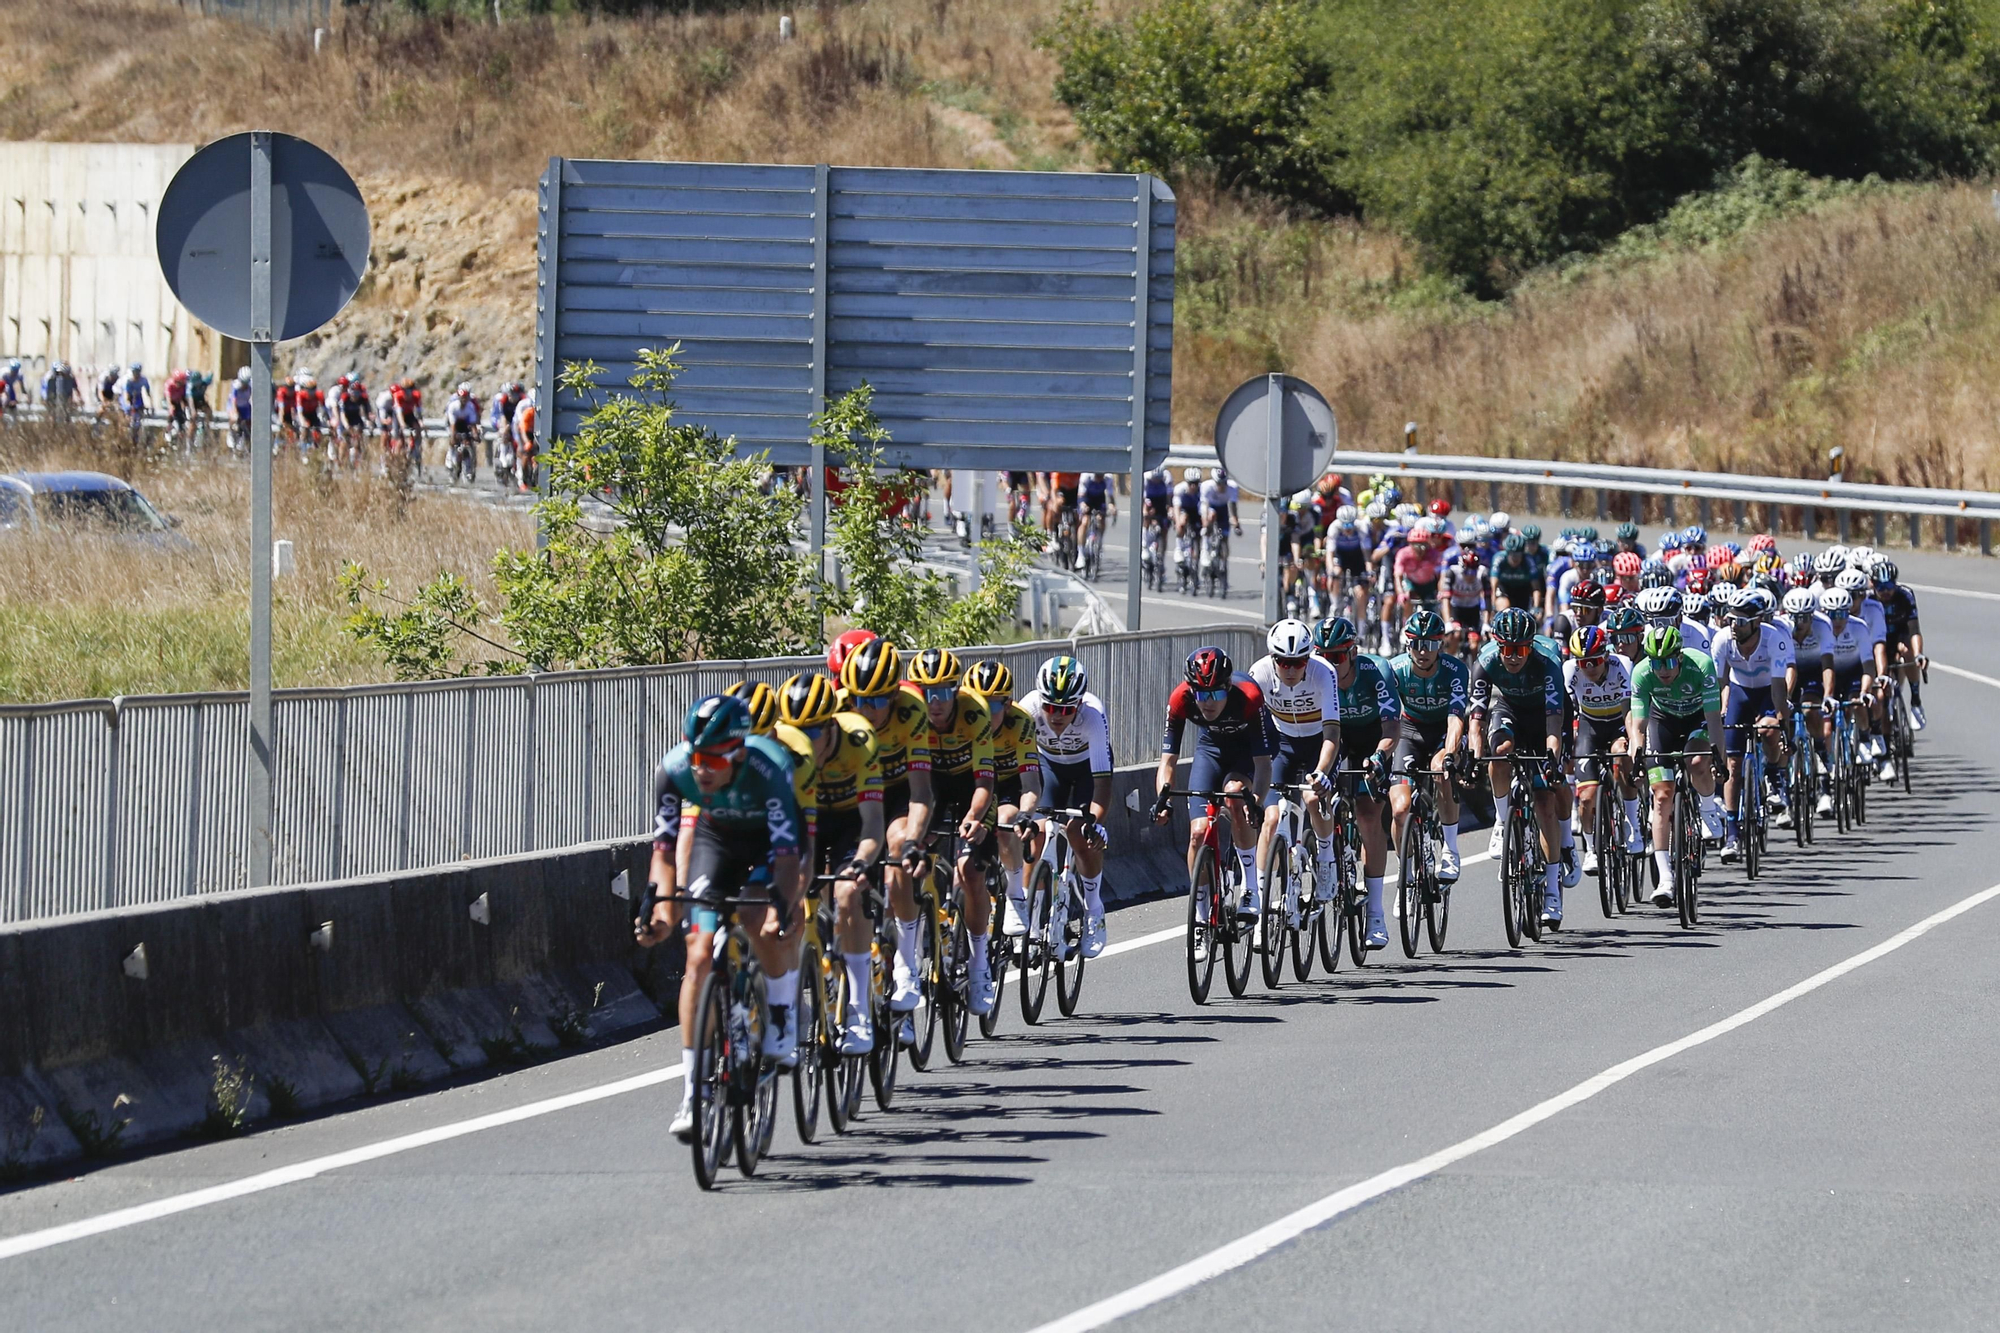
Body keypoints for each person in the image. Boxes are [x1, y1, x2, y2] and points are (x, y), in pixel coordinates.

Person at [637, 696, 803, 1141]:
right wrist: (661, 913)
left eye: (713, 759)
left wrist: (781, 910)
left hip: (770, 843)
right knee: (697, 958)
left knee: (755, 916)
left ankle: (784, 1012)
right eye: (696, 757)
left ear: (739, 753)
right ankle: (694, 1092)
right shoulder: (673, 771)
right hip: (717, 838)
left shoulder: (769, 766)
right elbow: (664, 853)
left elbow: (789, 859)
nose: (702, 769)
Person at [778, 672, 887, 1055]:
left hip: (850, 822)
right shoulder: (784, 747)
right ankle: (797, 1002)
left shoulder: (859, 738)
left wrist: (860, 862)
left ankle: (858, 1009)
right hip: (805, 820)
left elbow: (875, 822)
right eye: (797, 733)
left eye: (814, 734)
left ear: (832, 725)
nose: (804, 744)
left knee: (845, 894)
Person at [837, 639, 936, 1044]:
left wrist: (913, 841)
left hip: (898, 793)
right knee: (838, 887)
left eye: (879, 700)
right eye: (862, 699)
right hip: (849, 797)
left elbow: (921, 793)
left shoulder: (912, 710)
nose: (870, 710)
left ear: (894, 694)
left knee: (897, 850)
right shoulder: (837, 709)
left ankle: (905, 966)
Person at [905, 648, 1004, 1003]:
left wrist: (975, 818)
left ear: (955, 690)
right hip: (930, 786)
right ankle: (910, 958)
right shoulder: (912, 716)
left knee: (968, 870)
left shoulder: (974, 711)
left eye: (944, 692)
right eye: (928, 694)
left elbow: (985, 782)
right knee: (908, 860)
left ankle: (979, 966)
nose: (936, 703)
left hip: (970, 789)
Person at [1154, 646, 1271, 933]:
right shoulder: (1180, 699)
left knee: (1234, 796)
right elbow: (1167, 762)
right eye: (1201, 693)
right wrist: (1163, 798)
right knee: (1197, 833)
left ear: (1228, 688)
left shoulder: (1249, 698)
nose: (1207, 702)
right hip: (1212, 750)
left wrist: (1256, 800)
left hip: (1248, 752)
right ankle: (1201, 916)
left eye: (1216, 694)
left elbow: (1264, 764)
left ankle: (1250, 887)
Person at [1469, 606, 1568, 927]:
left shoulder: (1548, 661)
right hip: (1510, 708)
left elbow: (1555, 722)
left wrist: (1552, 759)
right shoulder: (1485, 661)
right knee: (1499, 752)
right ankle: (1502, 821)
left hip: (1544, 717)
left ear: (1531, 646)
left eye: (1520, 649)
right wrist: (1472, 755)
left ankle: (1552, 889)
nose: (1512, 656)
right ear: (1496, 645)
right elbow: (1477, 719)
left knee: (1545, 801)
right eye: (1507, 649)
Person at [1018, 655, 1114, 955]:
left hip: (1087, 770)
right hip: (1048, 766)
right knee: (1036, 832)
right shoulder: (1028, 708)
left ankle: (1094, 910)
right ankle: (1029, 924)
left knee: (1078, 832)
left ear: (1079, 705)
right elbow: (1015, 765)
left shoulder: (1093, 716)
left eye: (1065, 709)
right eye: (1050, 707)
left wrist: (1093, 822)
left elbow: (1102, 784)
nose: (1056, 715)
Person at [1318, 616, 1402, 947]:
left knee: (1368, 817)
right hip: (1333, 740)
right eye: (1322, 656)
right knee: (1317, 797)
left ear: (1352, 653)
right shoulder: (1314, 674)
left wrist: (1381, 756)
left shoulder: (1375, 671)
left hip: (1372, 740)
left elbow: (1392, 729)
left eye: (1337, 656)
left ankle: (1376, 913)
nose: (1329, 664)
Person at [1249, 619, 1344, 912]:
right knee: (1271, 818)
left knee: (1312, 797)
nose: (1291, 669)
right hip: (1282, 745)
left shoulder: (1323, 672)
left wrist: (1321, 771)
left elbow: (1332, 734)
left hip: (1319, 743)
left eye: (1298, 662)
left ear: (1309, 657)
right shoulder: (1260, 673)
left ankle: (1326, 859)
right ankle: (1259, 897)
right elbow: (1252, 732)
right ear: (1273, 659)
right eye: (1284, 662)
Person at [1627, 625, 1725, 907]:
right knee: (1661, 797)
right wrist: (1637, 758)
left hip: (1698, 719)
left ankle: (1707, 810)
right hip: (1663, 721)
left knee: (1696, 762)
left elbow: (1714, 719)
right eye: (1657, 663)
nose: (1663, 670)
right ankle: (1665, 878)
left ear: (1680, 657)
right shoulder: (1642, 673)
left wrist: (1719, 756)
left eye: (1669, 662)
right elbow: (1639, 726)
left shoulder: (1701, 665)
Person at [1387, 610, 1469, 883]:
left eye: (1431, 645)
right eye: (1417, 644)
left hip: (1442, 732)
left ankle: (1450, 849)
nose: (1423, 651)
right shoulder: (1395, 669)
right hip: (1409, 732)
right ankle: (1405, 870)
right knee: (1399, 809)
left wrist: (1450, 753)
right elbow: (1384, 716)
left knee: (1440, 771)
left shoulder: (1455, 670)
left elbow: (1456, 720)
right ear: (1407, 645)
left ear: (1441, 646)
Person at [962, 660, 1037, 939]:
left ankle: (1016, 893)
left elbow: (1030, 783)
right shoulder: (961, 718)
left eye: (992, 706)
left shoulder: (1020, 722)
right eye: (976, 703)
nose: (982, 712)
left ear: (1007, 705)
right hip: (971, 786)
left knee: (1007, 821)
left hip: (1007, 785)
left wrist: (1026, 813)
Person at [1874, 561, 1924, 730]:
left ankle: (1916, 700)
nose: (1886, 591)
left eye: (1889, 586)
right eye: (1880, 587)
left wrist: (1919, 655)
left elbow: (1914, 629)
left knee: (1907, 651)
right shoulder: (1869, 600)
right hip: (1878, 642)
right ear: (1873, 585)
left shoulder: (1905, 595)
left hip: (1899, 636)